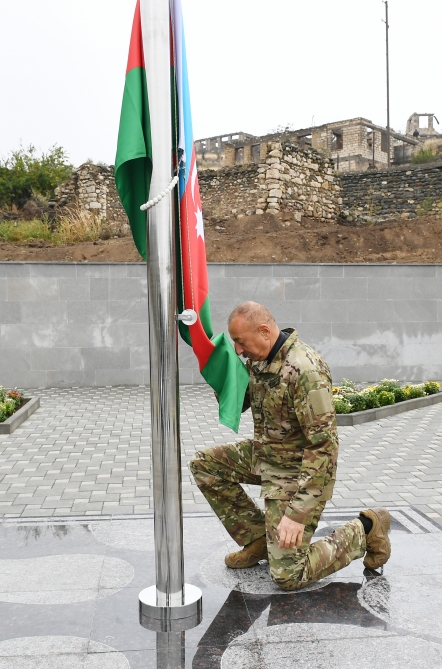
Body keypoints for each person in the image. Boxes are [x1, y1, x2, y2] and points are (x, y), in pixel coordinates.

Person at [190, 301, 391, 591]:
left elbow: (324, 447)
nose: (238, 350)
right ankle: (259, 538)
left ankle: (367, 529)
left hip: (298, 473)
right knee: (205, 465)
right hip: (267, 454)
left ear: (264, 331)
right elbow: (242, 401)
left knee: (288, 575)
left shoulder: (305, 370)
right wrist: (218, 368)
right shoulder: (260, 357)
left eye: (240, 342)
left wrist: (298, 514)